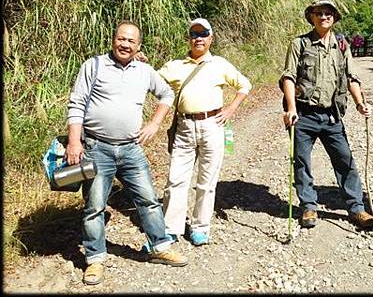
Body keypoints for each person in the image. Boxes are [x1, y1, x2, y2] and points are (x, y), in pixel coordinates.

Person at [66, 21, 188, 286]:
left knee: (148, 200)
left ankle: (159, 247)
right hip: (97, 148)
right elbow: (76, 104)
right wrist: (74, 142)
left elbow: (167, 94)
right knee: (94, 207)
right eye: (121, 39)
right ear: (113, 40)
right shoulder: (93, 65)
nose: (125, 44)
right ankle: (95, 259)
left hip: (131, 150)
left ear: (138, 46)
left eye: (131, 41)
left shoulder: (145, 71)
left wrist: (155, 123)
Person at [280, 0, 373, 230]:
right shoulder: (299, 44)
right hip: (303, 114)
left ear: (334, 17)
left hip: (332, 116)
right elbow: (288, 77)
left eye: (328, 13)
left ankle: (357, 209)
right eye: (319, 13)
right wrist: (291, 108)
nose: (324, 16)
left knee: (346, 161)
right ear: (311, 17)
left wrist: (360, 102)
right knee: (302, 162)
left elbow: (351, 78)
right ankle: (308, 207)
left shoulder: (342, 45)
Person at [158, 18, 251, 246]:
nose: (198, 38)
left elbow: (244, 85)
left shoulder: (219, 64)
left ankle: (200, 227)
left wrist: (231, 109)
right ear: (188, 38)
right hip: (184, 127)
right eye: (194, 34)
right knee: (176, 180)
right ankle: (171, 227)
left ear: (211, 38)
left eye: (203, 34)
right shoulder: (176, 66)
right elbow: (152, 81)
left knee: (207, 181)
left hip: (213, 126)